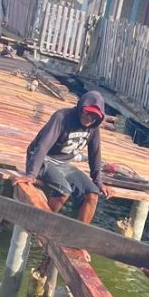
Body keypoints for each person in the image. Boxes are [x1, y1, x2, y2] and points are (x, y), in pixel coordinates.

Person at [22, 90, 110, 224]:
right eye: (87, 113)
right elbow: (42, 146)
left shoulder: (93, 127)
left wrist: (98, 182)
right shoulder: (62, 117)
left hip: (63, 164)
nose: (89, 118)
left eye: (94, 117)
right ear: (81, 108)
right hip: (44, 160)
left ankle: (79, 233)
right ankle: (40, 224)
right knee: (64, 190)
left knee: (93, 194)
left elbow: (95, 154)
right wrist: (31, 174)